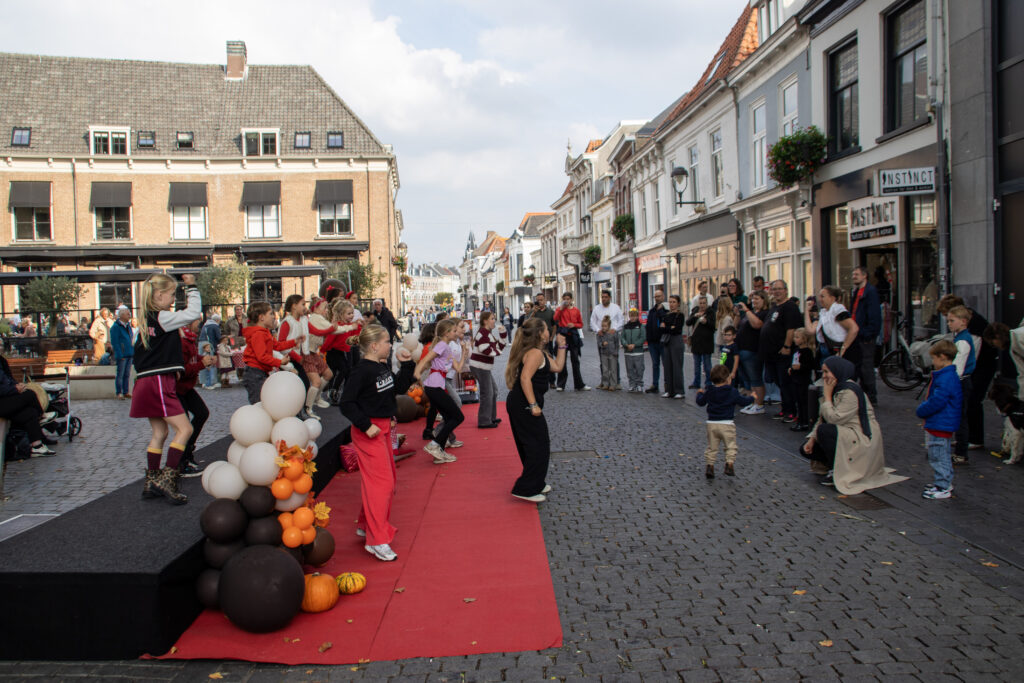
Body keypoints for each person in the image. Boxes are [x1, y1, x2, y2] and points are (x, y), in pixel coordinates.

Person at [129, 274, 202, 504]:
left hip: (145, 382)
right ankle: (168, 478)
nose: (172, 300)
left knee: (159, 433)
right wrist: (192, 287)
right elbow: (192, 314)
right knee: (185, 429)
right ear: (158, 295)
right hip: (159, 382)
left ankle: (151, 480)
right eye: (171, 295)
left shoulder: (144, 321)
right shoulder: (161, 317)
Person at [800, 356, 906, 493]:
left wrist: (826, 396)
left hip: (860, 436)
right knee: (806, 448)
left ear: (838, 371)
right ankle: (837, 464)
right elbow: (822, 418)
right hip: (846, 433)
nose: (824, 376)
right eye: (823, 372)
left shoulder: (849, 391)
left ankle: (836, 469)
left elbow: (834, 419)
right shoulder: (837, 388)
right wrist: (812, 439)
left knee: (825, 431)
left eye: (827, 372)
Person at [340, 323, 400, 562]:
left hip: (383, 427)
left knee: (386, 481)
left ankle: (366, 524)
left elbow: (393, 391)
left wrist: (407, 366)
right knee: (382, 483)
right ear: (374, 346)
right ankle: (377, 540)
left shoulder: (381, 366)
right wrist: (366, 424)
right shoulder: (361, 371)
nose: (390, 344)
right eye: (387, 341)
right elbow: (347, 403)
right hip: (369, 431)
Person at [504, 317, 567, 503]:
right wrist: (533, 405)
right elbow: (525, 379)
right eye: (547, 329)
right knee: (538, 444)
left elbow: (557, 367)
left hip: (521, 403)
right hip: (523, 403)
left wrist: (562, 347)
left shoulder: (541, 352)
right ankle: (525, 487)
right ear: (540, 334)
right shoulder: (534, 354)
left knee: (533, 443)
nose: (549, 331)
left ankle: (536, 482)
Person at [938, 294, 997, 451]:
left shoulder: (973, 327)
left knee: (973, 400)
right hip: (976, 366)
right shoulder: (967, 324)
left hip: (982, 366)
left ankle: (975, 438)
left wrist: (959, 373)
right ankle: (966, 437)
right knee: (967, 402)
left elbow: (971, 353)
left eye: (950, 318)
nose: (948, 321)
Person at [413, 319, 468, 463]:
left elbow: (458, 368)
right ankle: (435, 444)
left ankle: (439, 452)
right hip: (434, 386)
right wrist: (418, 373)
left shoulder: (447, 347)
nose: (457, 333)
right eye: (454, 331)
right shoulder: (442, 345)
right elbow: (425, 360)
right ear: (446, 333)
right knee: (458, 417)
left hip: (438, 385)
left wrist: (464, 352)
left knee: (450, 418)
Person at [915, 340, 962, 499]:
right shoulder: (948, 376)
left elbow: (937, 401)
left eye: (934, 358)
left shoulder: (945, 377)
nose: (932, 362)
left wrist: (922, 410)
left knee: (938, 454)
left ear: (942, 357)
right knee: (941, 453)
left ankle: (943, 485)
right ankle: (943, 482)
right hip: (942, 422)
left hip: (940, 423)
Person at [696, 364, 754, 479]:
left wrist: (699, 394)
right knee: (730, 446)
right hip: (727, 423)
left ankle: (710, 466)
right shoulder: (732, 391)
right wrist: (752, 397)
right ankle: (729, 464)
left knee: (712, 447)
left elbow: (701, 402)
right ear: (728, 378)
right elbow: (742, 401)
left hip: (712, 423)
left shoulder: (710, 391)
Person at [760, 280, 802, 423]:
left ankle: (791, 411)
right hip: (771, 353)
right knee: (779, 382)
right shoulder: (774, 307)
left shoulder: (789, 307)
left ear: (786, 290)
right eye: (774, 289)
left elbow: (791, 328)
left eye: (779, 289)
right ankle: (785, 408)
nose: (777, 291)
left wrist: (787, 346)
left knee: (786, 382)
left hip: (783, 352)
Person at [0, 353, 57, 457]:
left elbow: (9, 379)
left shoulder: (1, 361)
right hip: (2, 402)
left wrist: (17, 385)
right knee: (29, 395)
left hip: (6, 399)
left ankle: (37, 447)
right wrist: (14, 389)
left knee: (29, 412)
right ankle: (42, 416)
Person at [241, 302, 298, 405]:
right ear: (261, 317)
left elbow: (277, 345)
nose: (273, 317)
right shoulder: (258, 334)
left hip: (259, 372)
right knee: (259, 404)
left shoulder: (264, 332)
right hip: (254, 374)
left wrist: (294, 342)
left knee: (263, 402)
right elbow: (261, 357)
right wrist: (279, 361)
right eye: (271, 314)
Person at [175, 318, 212, 477]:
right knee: (184, 426)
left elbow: (192, 357)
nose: (200, 323)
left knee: (202, 413)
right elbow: (182, 368)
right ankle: (180, 463)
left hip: (186, 388)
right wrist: (201, 364)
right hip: (177, 389)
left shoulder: (189, 339)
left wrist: (202, 359)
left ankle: (188, 452)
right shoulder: (182, 342)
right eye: (197, 320)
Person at [946, 306, 976, 466]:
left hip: (961, 382)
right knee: (960, 416)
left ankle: (961, 452)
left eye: (952, 320)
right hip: (963, 381)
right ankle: (960, 446)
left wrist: (949, 384)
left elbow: (958, 367)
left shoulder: (963, 341)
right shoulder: (962, 337)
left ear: (963, 322)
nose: (949, 324)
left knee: (960, 417)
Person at [279, 295, 317, 418]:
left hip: (298, 358)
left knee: (304, 384)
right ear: (294, 306)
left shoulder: (302, 320)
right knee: (297, 387)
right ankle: (294, 412)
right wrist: (297, 357)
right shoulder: (287, 323)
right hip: (289, 360)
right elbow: (282, 344)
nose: (304, 307)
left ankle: (299, 411)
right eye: (302, 304)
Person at [469, 311, 508, 428]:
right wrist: (498, 352)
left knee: (493, 391)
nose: (494, 321)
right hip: (479, 366)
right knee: (487, 393)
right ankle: (484, 421)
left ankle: (490, 417)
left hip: (483, 366)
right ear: (485, 321)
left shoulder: (488, 333)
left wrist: (503, 333)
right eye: (492, 319)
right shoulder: (483, 333)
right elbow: (485, 349)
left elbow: (499, 346)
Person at [850, 266, 882, 404]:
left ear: (864, 276)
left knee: (866, 365)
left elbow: (874, 315)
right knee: (860, 364)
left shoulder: (870, 292)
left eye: (856, 274)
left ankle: (870, 395)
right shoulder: (857, 292)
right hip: (857, 333)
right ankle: (864, 394)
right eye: (853, 274)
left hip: (864, 335)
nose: (854, 277)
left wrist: (868, 334)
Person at [809, 286, 860, 367]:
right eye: (819, 296)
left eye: (822, 296)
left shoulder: (838, 310)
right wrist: (806, 309)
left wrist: (843, 348)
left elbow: (854, 328)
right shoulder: (824, 312)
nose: (819, 300)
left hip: (836, 350)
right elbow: (810, 330)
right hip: (826, 349)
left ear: (832, 298)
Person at [736, 292, 768, 415]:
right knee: (748, 381)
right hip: (742, 350)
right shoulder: (751, 313)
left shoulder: (764, 313)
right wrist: (738, 314)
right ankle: (753, 402)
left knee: (756, 379)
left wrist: (747, 310)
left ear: (764, 300)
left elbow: (757, 325)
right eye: (753, 299)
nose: (754, 301)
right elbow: (736, 326)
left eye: (757, 299)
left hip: (753, 351)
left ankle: (759, 404)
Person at [554, 292, 589, 391]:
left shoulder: (576, 310)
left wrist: (574, 325)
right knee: (562, 361)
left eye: (568, 299)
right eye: (565, 299)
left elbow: (581, 324)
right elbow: (555, 318)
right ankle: (560, 384)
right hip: (563, 336)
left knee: (575, 361)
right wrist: (561, 309)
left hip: (573, 336)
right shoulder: (559, 309)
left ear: (571, 300)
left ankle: (579, 384)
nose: (566, 301)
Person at [789, 328, 818, 432]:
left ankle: (804, 421)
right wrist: (791, 368)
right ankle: (800, 420)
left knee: (803, 402)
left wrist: (801, 367)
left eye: (797, 337)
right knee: (798, 401)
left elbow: (811, 365)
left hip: (803, 380)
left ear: (804, 339)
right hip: (796, 379)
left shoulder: (807, 352)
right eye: (794, 337)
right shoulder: (796, 350)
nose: (795, 339)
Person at [660, 295, 687, 398]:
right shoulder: (666, 315)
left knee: (677, 366)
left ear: (678, 303)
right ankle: (669, 390)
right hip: (667, 341)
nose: (672, 304)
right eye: (670, 302)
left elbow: (677, 329)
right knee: (667, 366)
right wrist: (669, 327)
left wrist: (667, 327)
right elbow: (662, 328)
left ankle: (679, 390)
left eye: (674, 302)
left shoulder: (680, 315)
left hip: (676, 341)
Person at [687, 297, 715, 389]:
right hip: (696, 343)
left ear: (707, 304)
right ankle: (696, 382)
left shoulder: (711, 312)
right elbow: (687, 322)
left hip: (707, 343)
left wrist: (706, 322)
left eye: (704, 303)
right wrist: (694, 316)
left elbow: (713, 326)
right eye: (701, 303)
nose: (702, 305)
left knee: (707, 365)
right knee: (696, 365)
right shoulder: (695, 311)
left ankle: (708, 383)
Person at [530, 294, 557, 388]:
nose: (540, 302)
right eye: (538, 300)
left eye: (541, 300)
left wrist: (552, 337)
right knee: (537, 359)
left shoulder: (550, 312)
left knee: (549, 358)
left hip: (548, 340)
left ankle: (552, 381)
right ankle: (539, 379)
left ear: (545, 300)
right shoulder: (535, 312)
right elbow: (529, 322)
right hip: (537, 340)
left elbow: (554, 326)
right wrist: (533, 312)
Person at [645, 290, 666, 393]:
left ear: (663, 297)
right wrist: (648, 340)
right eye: (655, 296)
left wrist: (661, 311)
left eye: (659, 296)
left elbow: (664, 321)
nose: (657, 298)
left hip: (662, 342)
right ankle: (655, 384)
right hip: (652, 342)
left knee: (665, 364)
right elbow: (649, 325)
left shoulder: (665, 310)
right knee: (655, 364)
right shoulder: (652, 310)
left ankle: (667, 384)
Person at [110, 307, 134, 400]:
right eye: (128, 314)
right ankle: (119, 392)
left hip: (129, 353)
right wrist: (120, 354)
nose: (129, 316)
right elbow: (115, 343)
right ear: (122, 315)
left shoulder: (128, 326)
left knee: (127, 374)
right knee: (120, 374)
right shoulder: (116, 327)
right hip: (122, 354)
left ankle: (126, 391)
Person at [622, 308, 646, 393]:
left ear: (637, 316)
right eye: (631, 316)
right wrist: (626, 344)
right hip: (628, 352)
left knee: (639, 369)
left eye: (634, 316)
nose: (633, 318)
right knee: (630, 369)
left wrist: (635, 344)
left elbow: (643, 338)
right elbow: (622, 338)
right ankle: (632, 384)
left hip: (638, 352)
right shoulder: (625, 327)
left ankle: (639, 384)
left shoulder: (641, 326)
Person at [596, 315, 621, 391]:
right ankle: (605, 383)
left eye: (605, 326)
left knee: (613, 369)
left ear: (609, 326)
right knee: (605, 369)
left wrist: (616, 352)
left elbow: (617, 343)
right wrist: (602, 344)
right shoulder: (600, 334)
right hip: (604, 354)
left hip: (612, 354)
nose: (604, 328)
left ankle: (613, 384)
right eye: (602, 326)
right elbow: (599, 343)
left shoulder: (613, 333)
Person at [198, 314, 222, 389]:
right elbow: (219, 338)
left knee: (203, 363)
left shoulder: (205, 325)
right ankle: (212, 382)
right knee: (211, 363)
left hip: (201, 344)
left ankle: (203, 382)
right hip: (209, 344)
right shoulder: (215, 326)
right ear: (217, 320)